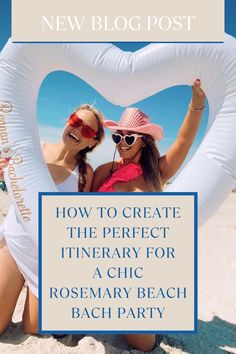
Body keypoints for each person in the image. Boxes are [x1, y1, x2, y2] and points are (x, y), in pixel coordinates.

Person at [92, 79, 206, 352]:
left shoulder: (158, 172)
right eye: (117, 137)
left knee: (142, 343)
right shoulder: (103, 172)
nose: (121, 143)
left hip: (140, 269)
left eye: (129, 137)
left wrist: (197, 102)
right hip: (100, 265)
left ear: (144, 141)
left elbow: (184, 140)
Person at [0, 104, 104, 335]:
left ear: (92, 142)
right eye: (76, 121)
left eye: (87, 131)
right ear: (68, 121)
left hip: (46, 262)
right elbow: (11, 186)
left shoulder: (85, 174)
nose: (78, 129)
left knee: (34, 328)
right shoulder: (33, 149)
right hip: (15, 245)